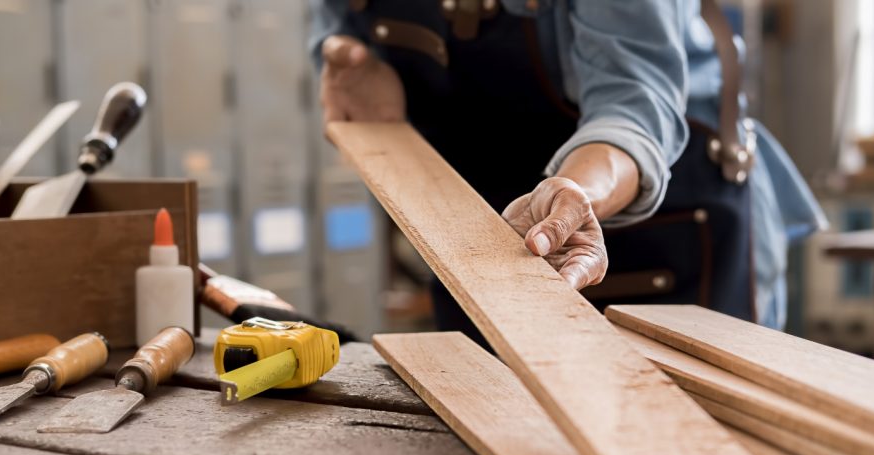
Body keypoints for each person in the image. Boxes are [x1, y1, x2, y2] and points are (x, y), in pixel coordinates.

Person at [310, 0, 826, 344]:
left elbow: (633, 104)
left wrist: (576, 193)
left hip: (656, 215)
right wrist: (346, 58)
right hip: (489, 226)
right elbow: (336, 20)